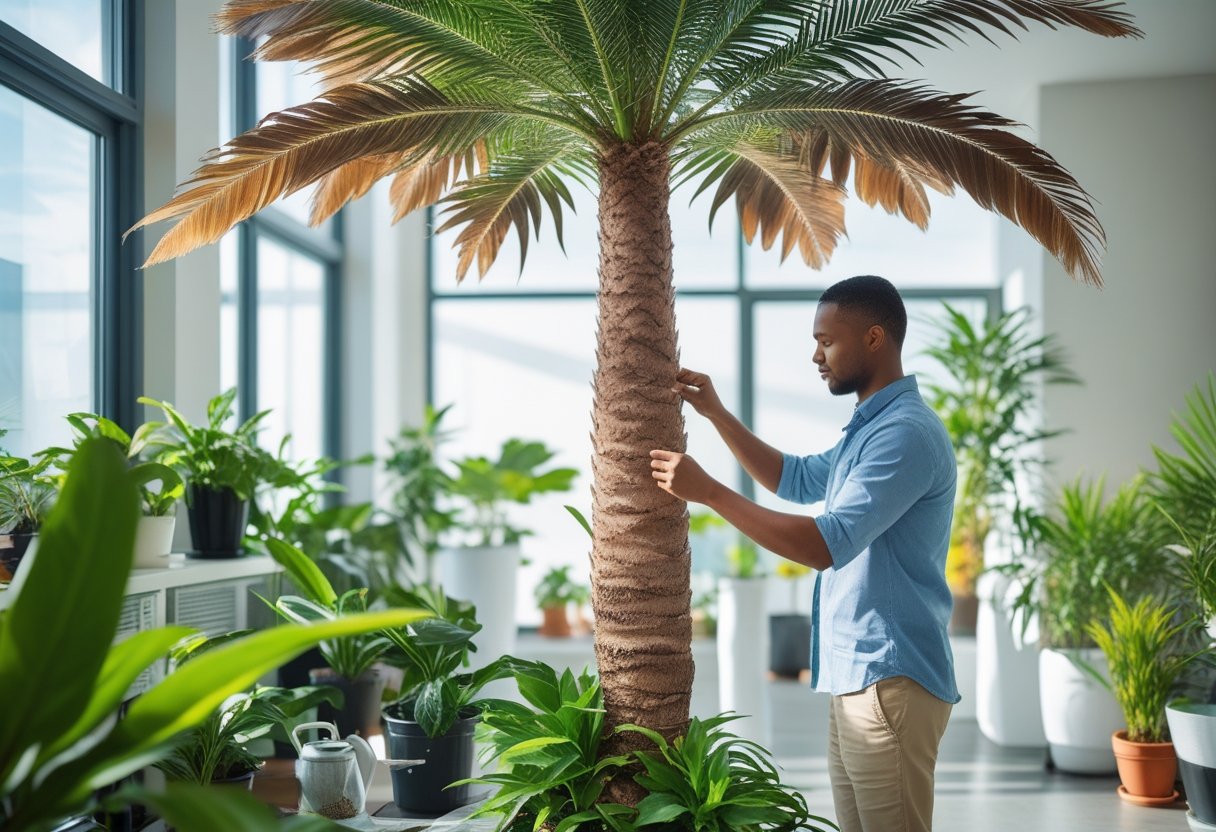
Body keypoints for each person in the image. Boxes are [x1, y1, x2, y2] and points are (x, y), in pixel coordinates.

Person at [650, 274, 959, 832]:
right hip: (859, 680)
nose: (816, 356)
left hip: (888, 681)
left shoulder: (905, 435)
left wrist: (712, 493)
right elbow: (792, 478)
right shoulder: (869, 430)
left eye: (826, 341)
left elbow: (824, 545)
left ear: (872, 338)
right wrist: (716, 413)